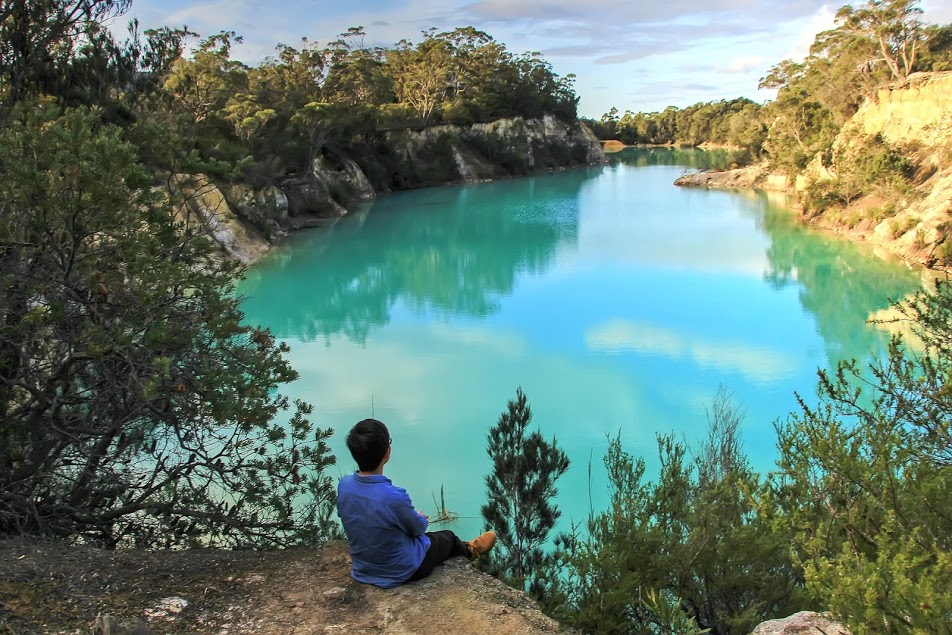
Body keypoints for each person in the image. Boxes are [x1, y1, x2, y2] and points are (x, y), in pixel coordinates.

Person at [337, 418, 496, 588]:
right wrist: (420, 518)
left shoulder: (344, 486)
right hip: (402, 570)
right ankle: (471, 550)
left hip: (363, 568)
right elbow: (417, 530)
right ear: (387, 453)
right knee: (446, 538)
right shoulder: (394, 497)